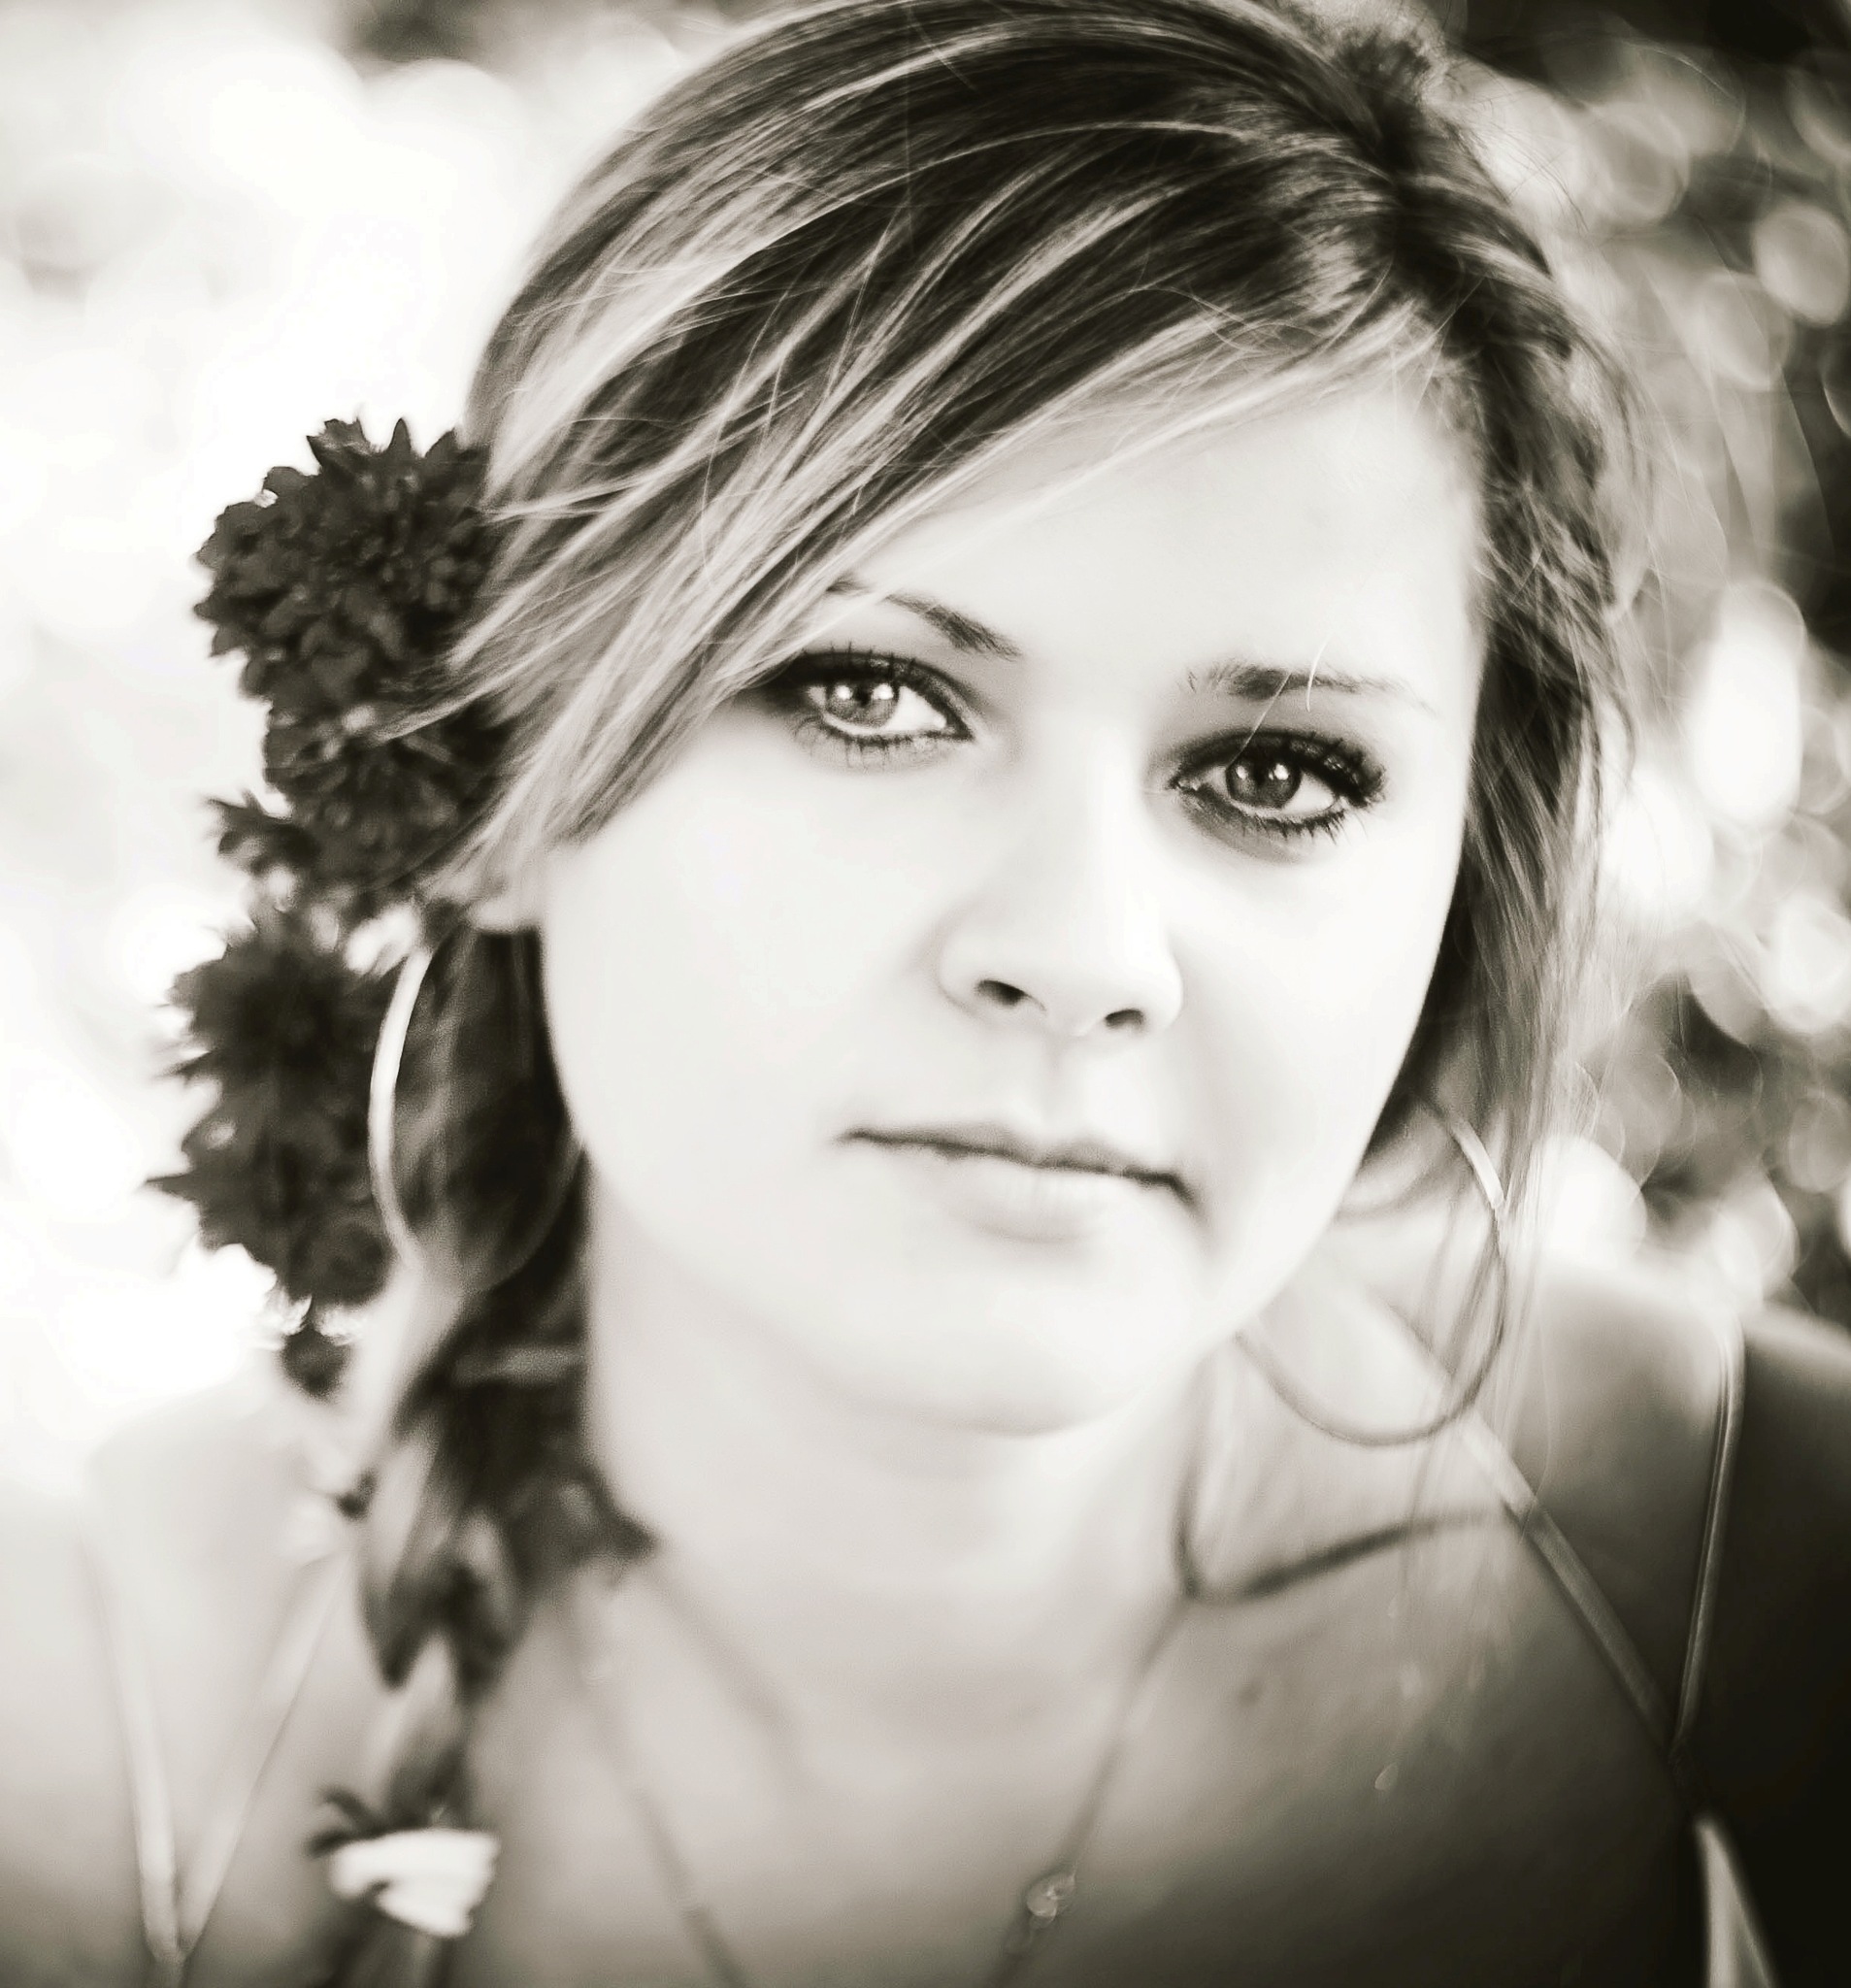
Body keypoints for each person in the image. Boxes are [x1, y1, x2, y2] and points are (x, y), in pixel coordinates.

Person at [4, 0, 1850, 1982]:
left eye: (1276, 773)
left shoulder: (1730, 1552)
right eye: (872, 696)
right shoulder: (97, 1740)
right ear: (494, 772)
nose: (1081, 950)